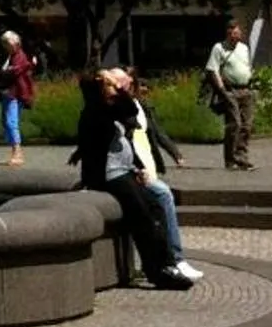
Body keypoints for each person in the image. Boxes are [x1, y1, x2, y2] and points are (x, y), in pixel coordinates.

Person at [72, 71, 188, 289]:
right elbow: (125, 109)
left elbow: (131, 110)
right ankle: (156, 271)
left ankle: (169, 262)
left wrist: (137, 167)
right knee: (142, 216)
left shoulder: (107, 108)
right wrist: (117, 86)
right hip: (110, 175)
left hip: (124, 171)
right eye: (108, 85)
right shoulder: (95, 111)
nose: (113, 88)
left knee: (155, 205)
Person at [107, 68, 202, 282]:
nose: (126, 88)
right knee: (160, 199)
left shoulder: (139, 106)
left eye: (129, 84)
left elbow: (156, 133)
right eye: (122, 85)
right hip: (126, 171)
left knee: (155, 207)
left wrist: (174, 153)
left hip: (143, 168)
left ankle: (169, 261)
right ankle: (171, 261)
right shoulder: (115, 108)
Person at [202, 16, 256, 171]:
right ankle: (231, 159)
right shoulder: (219, 48)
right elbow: (212, 70)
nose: (236, 36)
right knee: (235, 124)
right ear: (228, 33)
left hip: (246, 89)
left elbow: (247, 65)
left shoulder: (244, 48)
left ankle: (242, 158)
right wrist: (222, 90)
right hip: (230, 91)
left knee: (246, 126)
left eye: (238, 33)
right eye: (233, 33)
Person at [0, 30, 36, 166]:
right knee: (8, 121)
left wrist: (5, 72)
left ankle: (17, 151)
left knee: (10, 121)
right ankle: (15, 150)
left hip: (15, 93)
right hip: (9, 93)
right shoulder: (10, 55)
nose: (6, 45)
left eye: (8, 43)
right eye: (4, 43)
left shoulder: (19, 56)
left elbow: (16, 71)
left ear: (15, 42)